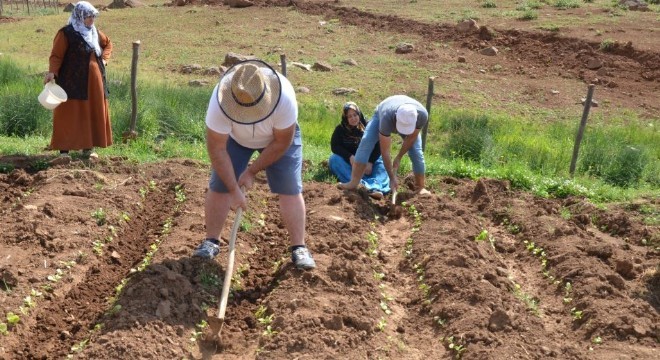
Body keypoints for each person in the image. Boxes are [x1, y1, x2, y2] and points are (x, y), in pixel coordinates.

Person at [193, 59, 316, 270]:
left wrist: (251, 171)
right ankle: (211, 241)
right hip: (236, 139)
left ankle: (299, 247)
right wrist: (233, 188)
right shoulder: (220, 102)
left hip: (275, 140)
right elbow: (217, 149)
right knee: (219, 185)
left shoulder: (284, 99)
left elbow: (281, 143)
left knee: (289, 187)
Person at [44, 1, 113, 164]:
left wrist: (104, 59)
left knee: (91, 112)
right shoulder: (66, 33)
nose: (91, 20)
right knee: (68, 113)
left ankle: (88, 149)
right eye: (88, 16)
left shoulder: (95, 32)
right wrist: (52, 72)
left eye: (93, 16)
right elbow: (56, 55)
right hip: (71, 80)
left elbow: (108, 44)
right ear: (79, 16)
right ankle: (64, 152)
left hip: (94, 83)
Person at [338, 95, 431, 195]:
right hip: (383, 112)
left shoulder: (422, 115)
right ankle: (353, 182)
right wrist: (392, 177)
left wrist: (399, 157)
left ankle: (420, 187)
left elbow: (411, 138)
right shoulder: (386, 117)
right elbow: (385, 151)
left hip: (403, 114)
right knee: (366, 142)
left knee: (416, 151)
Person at [329, 102, 390, 199]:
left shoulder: (370, 126)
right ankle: (361, 185)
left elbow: (379, 145)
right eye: (349, 116)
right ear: (345, 118)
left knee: (382, 163)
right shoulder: (340, 130)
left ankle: (375, 187)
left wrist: (370, 161)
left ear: (359, 114)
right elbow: (335, 146)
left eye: (355, 115)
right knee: (334, 160)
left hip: (369, 161)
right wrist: (349, 156)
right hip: (350, 164)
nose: (353, 118)